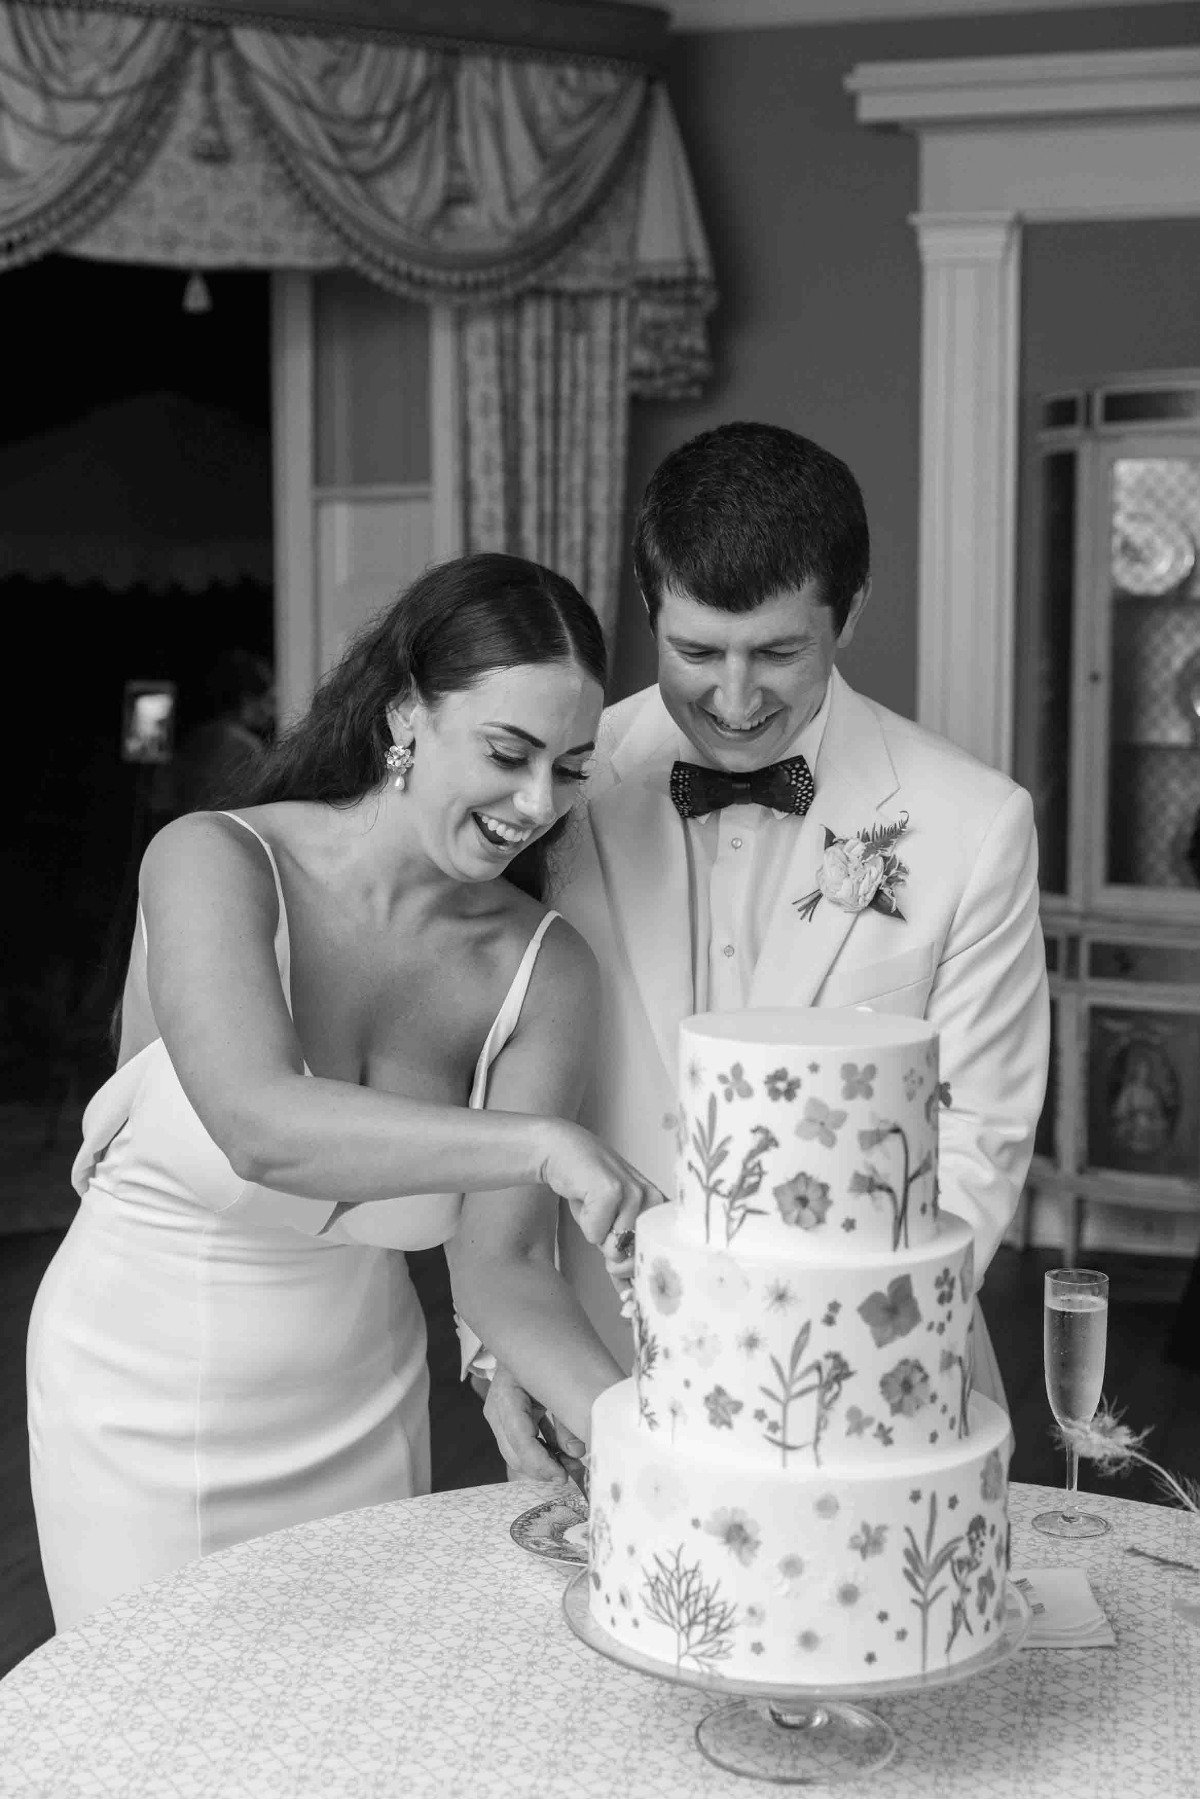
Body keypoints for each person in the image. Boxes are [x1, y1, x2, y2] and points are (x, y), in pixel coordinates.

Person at [27, 553, 661, 1632]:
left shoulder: (542, 968)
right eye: (509, 753)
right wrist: (539, 1141)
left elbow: (503, 1270)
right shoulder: (211, 861)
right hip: (135, 1391)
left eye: (568, 768)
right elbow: (261, 1126)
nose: (535, 803)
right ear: (407, 713)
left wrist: (653, 1443)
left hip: (360, 1403)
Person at [471, 422, 1051, 1481]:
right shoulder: (557, 793)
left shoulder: (974, 823)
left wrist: (814, 1373)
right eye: (697, 653)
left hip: (874, 1393)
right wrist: (495, 1342)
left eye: (779, 651)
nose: (735, 699)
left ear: (852, 609)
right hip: (589, 1363)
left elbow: (975, 1142)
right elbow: (489, 1085)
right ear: (651, 611)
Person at [174, 647, 276, 812]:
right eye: (269, 700)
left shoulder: (197, 738)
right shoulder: (245, 747)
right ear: (248, 700)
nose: (272, 712)